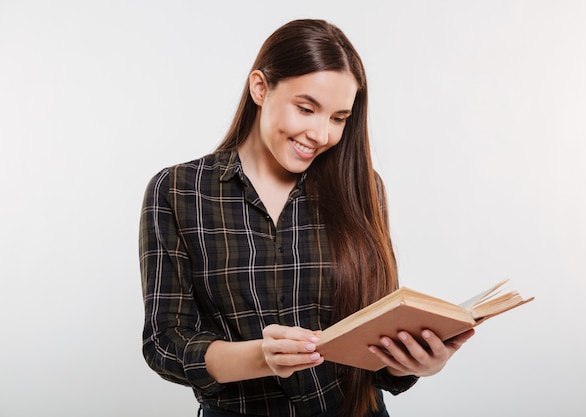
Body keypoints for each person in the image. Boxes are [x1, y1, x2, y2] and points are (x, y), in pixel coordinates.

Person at [139, 18, 474, 417]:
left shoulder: (362, 188)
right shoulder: (178, 190)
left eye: (338, 118)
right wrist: (262, 357)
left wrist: (418, 363)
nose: (321, 134)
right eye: (306, 109)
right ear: (260, 88)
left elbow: (377, 345)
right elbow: (165, 343)